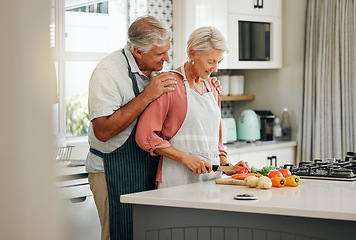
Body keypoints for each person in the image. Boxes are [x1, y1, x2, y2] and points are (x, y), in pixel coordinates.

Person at [86, 16, 221, 240]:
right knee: (120, 234)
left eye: (167, 51)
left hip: (145, 165)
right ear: (138, 51)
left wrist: (208, 78)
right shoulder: (108, 73)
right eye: (160, 54)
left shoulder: (156, 68)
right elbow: (103, 131)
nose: (166, 59)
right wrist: (147, 95)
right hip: (111, 169)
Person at [136, 26, 249, 189]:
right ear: (192, 54)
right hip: (177, 181)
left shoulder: (213, 88)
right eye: (210, 62)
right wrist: (186, 159)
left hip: (211, 182)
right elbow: (145, 136)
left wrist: (229, 167)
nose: (215, 69)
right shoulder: (169, 85)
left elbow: (216, 145)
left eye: (219, 62)